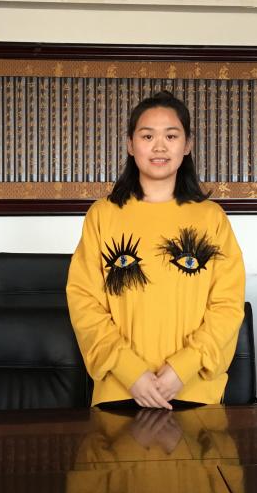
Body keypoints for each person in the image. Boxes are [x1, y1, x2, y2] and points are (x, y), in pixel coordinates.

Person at [66, 91, 246, 408]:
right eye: (147, 136)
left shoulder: (211, 218)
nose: (159, 146)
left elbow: (227, 306)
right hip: (120, 390)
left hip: (193, 390)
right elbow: (85, 302)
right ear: (130, 144)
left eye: (171, 136)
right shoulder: (102, 215)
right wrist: (130, 371)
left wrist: (182, 369)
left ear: (187, 145)